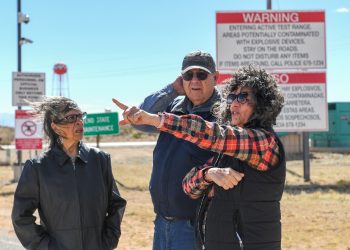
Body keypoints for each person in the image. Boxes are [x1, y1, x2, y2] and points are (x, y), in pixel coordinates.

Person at [113, 65, 286, 250]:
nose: (234, 104)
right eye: (232, 97)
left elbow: (212, 134)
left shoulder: (263, 143)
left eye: (243, 97)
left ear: (261, 103)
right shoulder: (229, 151)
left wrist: (156, 119)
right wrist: (209, 174)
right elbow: (189, 186)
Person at [125, 51, 221, 250]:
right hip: (162, 222)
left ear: (216, 77)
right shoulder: (174, 105)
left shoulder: (223, 114)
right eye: (188, 75)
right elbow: (140, 123)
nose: (194, 80)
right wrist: (172, 90)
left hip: (197, 224)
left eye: (201, 75)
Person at [12, 96, 126, 250]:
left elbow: (116, 204)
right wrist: (46, 247)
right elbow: (21, 217)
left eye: (80, 116)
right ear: (56, 127)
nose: (79, 121)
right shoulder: (37, 167)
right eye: (71, 117)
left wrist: (108, 242)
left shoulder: (100, 159)